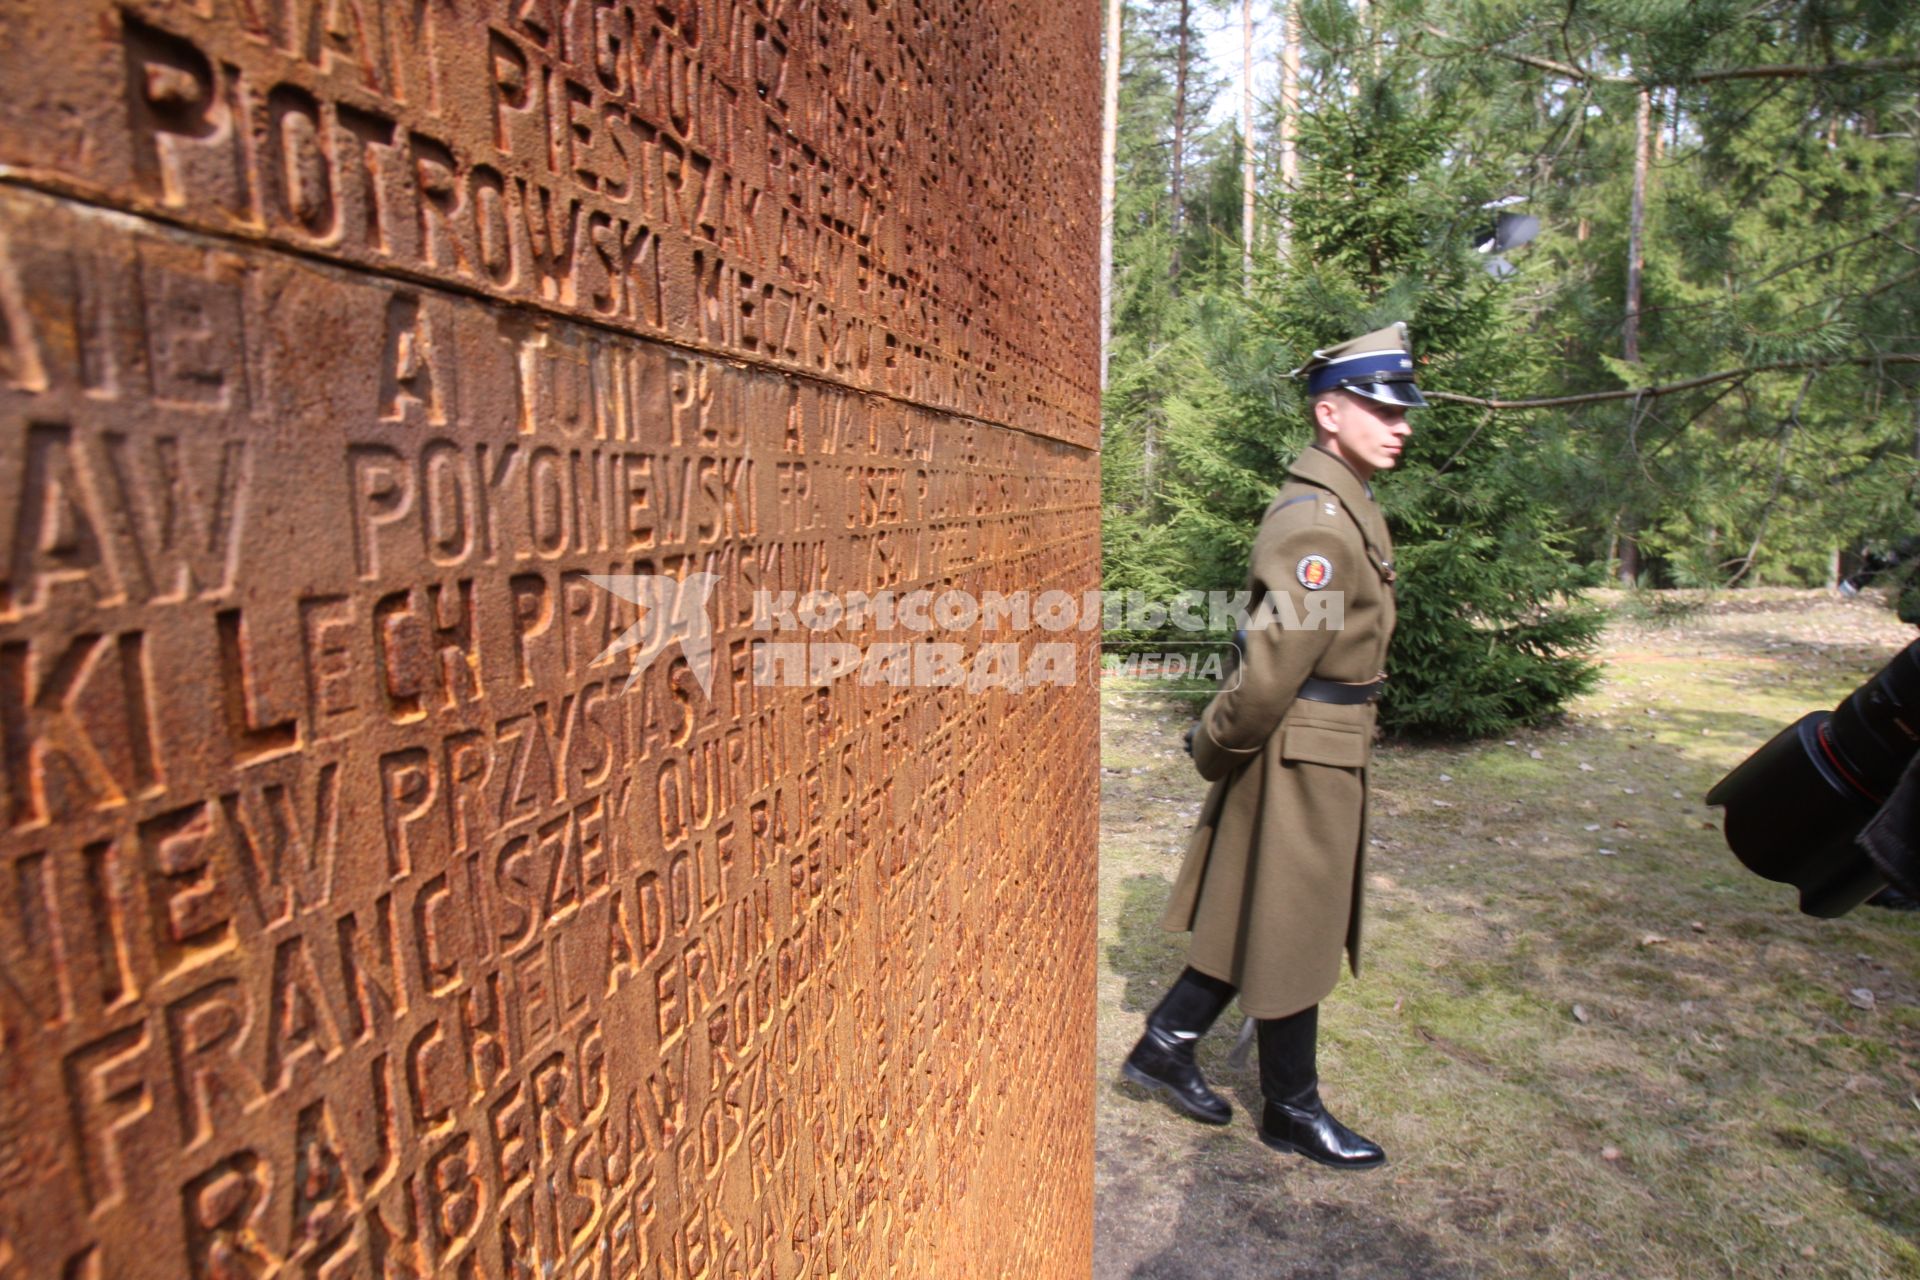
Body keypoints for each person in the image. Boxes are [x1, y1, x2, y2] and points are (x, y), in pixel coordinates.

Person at [1121, 322, 1423, 1169]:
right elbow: (1270, 668)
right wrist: (1217, 744)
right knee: (1295, 920)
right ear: (1331, 412)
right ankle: (1292, 1108)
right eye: (1380, 408)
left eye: (1404, 412)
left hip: (1319, 744)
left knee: (1272, 909)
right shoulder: (1320, 523)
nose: (1400, 425)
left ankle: (1165, 1046)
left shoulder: (1343, 503)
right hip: (1301, 750)